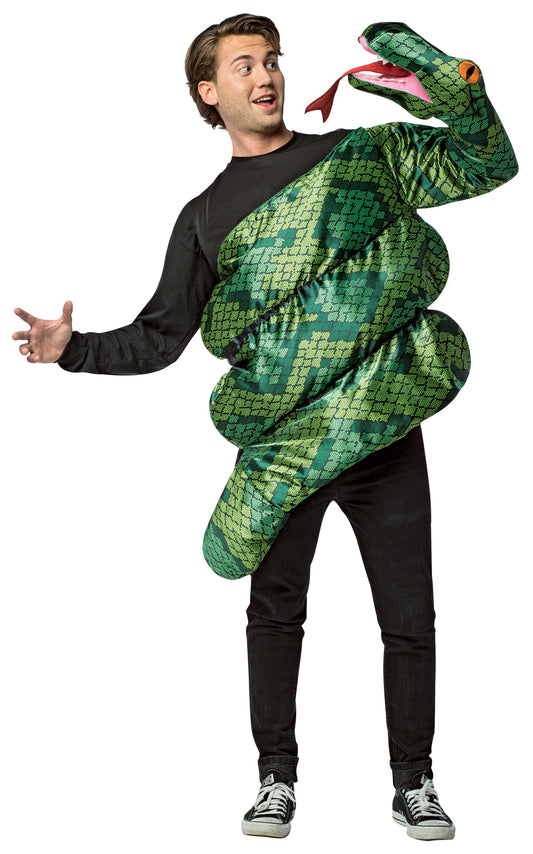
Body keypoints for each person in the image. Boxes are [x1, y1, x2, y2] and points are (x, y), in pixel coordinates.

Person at [13, 12, 517, 842]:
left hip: (382, 426)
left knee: (408, 616)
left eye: (273, 59)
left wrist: (447, 85)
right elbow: (161, 338)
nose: (266, 75)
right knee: (275, 613)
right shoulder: (205, 217)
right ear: (209, 92)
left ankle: (414, 782)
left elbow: (485, 162)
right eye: (244, 64)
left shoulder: (359, 156)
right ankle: (275, 781)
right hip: (284, 446)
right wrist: (75, 351)